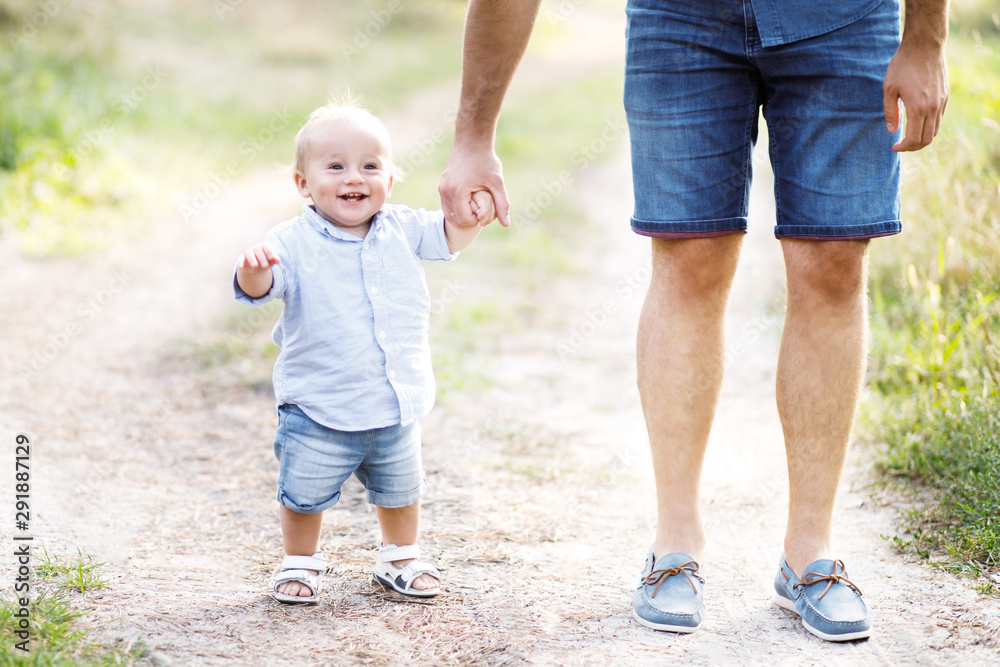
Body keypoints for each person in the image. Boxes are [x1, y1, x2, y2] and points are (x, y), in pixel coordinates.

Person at [439, 0, 948, 642]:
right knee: (689, 258)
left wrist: (926, 36)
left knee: (835, 261)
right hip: (680, 20)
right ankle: (674, 546)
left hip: (844, 18)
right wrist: (473, 136)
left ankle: (809, 554)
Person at [235, 100, 493, 604]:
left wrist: (472, 219)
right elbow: (261, 288)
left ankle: (400, 557)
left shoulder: (403, 226)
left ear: (390, 180)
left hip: (393, 402)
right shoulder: (290, 241)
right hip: (318, 405)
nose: (355, 177)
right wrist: (254, 269)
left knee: (401, 488)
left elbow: (449, 237)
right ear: (303, 184)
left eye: (370, 166)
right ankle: (300, 562)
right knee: (304, 493)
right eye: (335, 166)